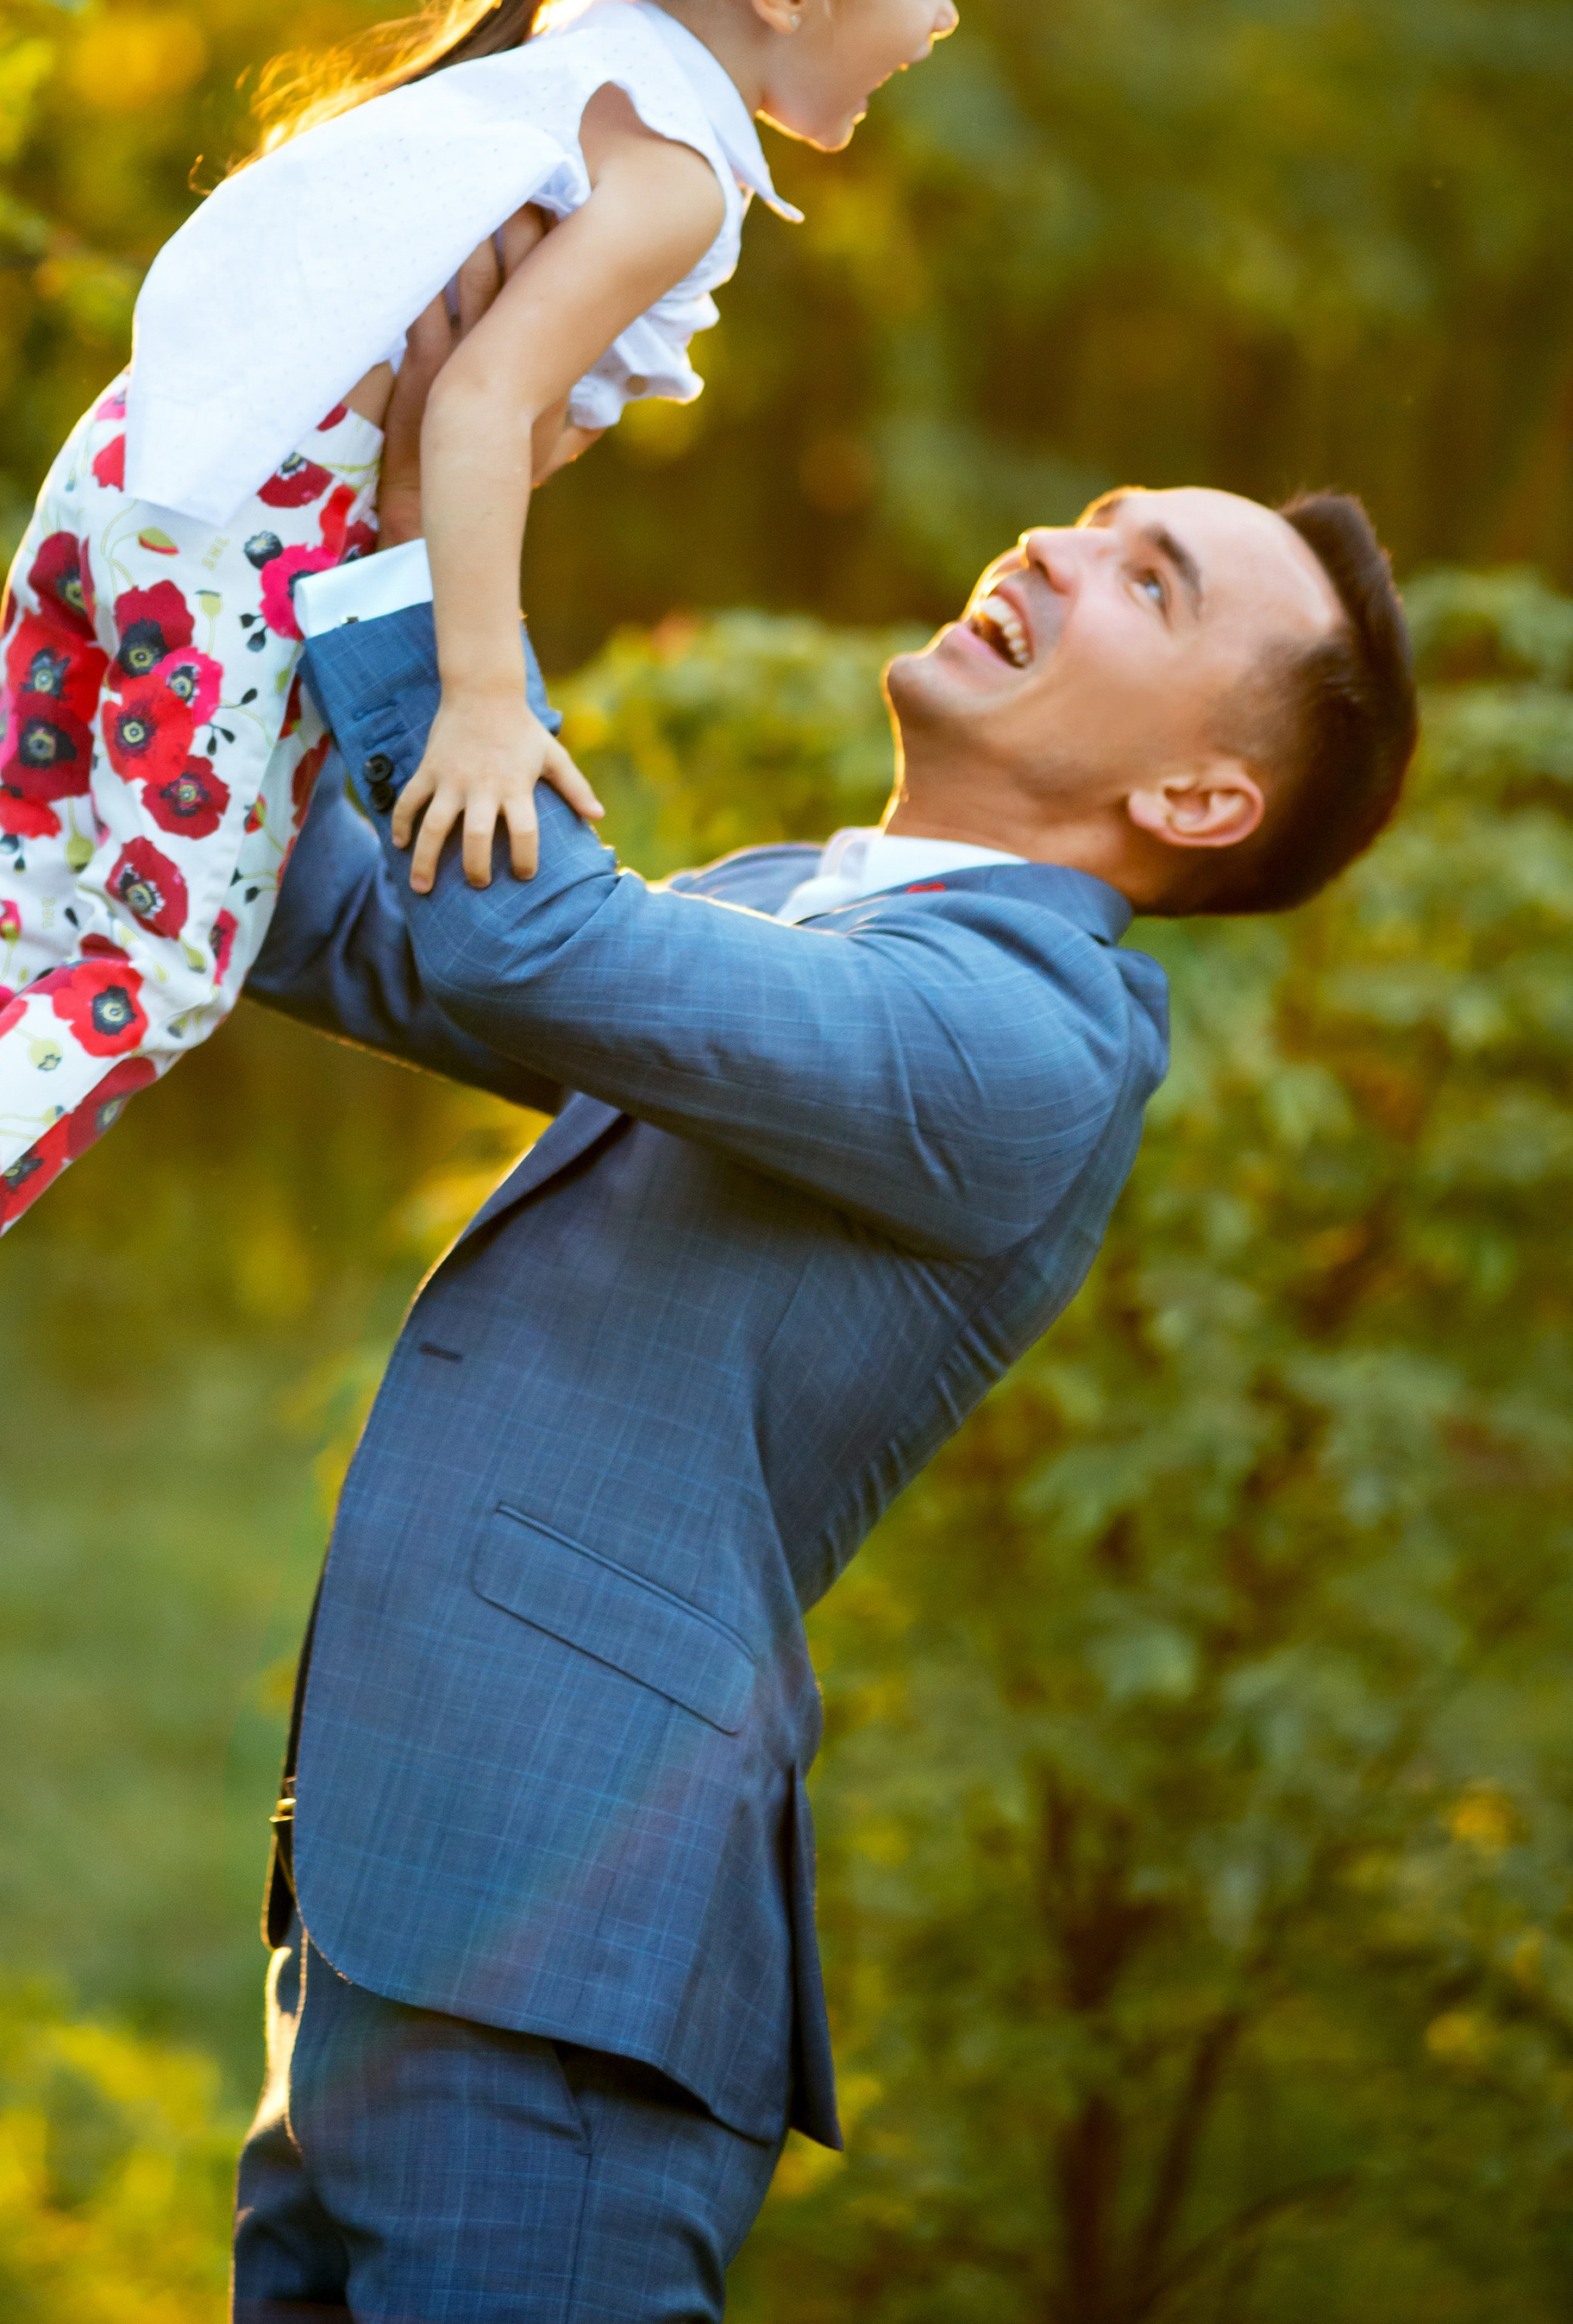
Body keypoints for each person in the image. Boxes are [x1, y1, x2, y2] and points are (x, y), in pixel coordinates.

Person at [0, 0, 1012, 1612]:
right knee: (149, 974)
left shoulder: (564, 50)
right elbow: (466, 420)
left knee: (12, 919)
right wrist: (471, 694)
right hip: (243, 553)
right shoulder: (674, 162)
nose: (942, 16)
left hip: (124, 475)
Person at [227, 365, 1417, 2321]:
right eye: (1095, 507)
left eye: (1150, 579)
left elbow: (531, 935)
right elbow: (379, 931)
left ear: (1196, 797)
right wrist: (158, 658)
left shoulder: (1031, 1048)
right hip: (394, 1928)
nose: (1056, 543)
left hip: (563, 1994)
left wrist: (432, 521)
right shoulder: (804, 904)